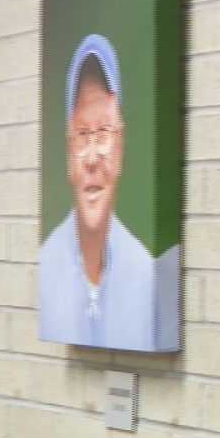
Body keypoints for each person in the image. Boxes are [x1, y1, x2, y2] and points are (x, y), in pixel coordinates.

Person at [39, 34, 179, 352]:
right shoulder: (46, 266)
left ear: (121, 147)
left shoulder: (145, 274)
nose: (91, 157)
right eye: (81, 134)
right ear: (66, 152)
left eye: (103, 132)